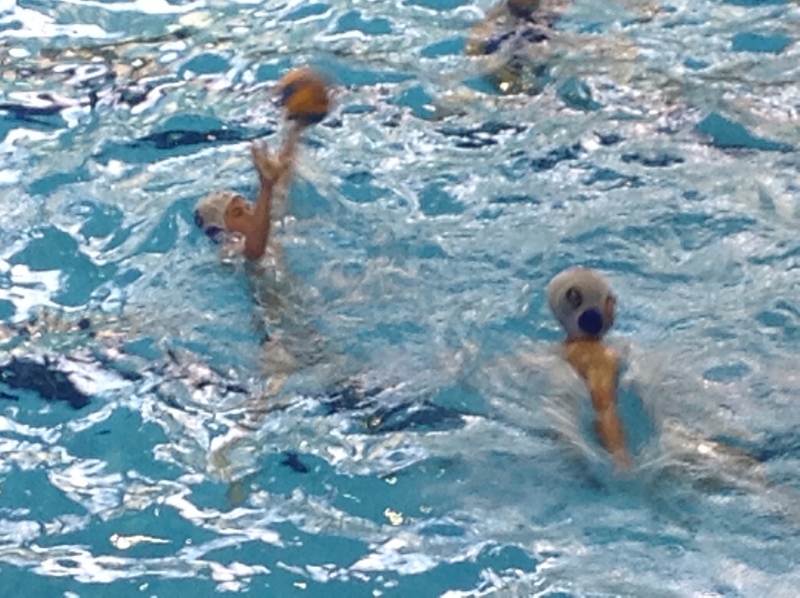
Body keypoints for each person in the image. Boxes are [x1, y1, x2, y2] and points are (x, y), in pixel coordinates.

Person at [546, 266, 631, 469]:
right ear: (597, 310)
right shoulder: (599, 357)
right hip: (592, 447)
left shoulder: (556, 353)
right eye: (609, 300)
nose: (614, 303)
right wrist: (620, 457)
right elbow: (604, 407)